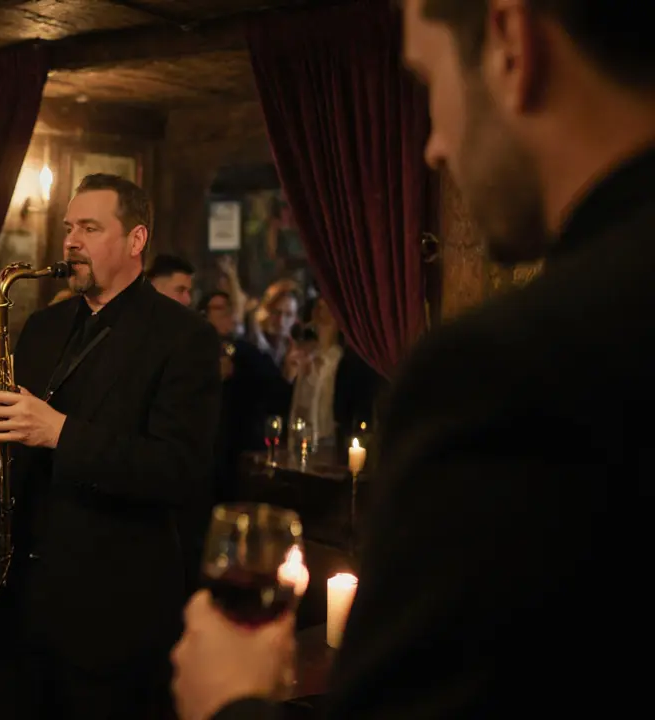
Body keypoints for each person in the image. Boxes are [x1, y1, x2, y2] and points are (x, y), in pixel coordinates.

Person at [172, 1, 655, 718]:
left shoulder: (508, 372)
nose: (432, 146)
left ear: (511, 44)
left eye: (429, 83)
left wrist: (231, 699)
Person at [0, 173, 221, 719]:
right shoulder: (42, 326)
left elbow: (177, 469)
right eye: (69, 227)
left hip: (113, 613)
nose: (70, 241)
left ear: (136, 240)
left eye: (89, 228)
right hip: (22, 602)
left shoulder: (185, 337)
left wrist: (60, 433)